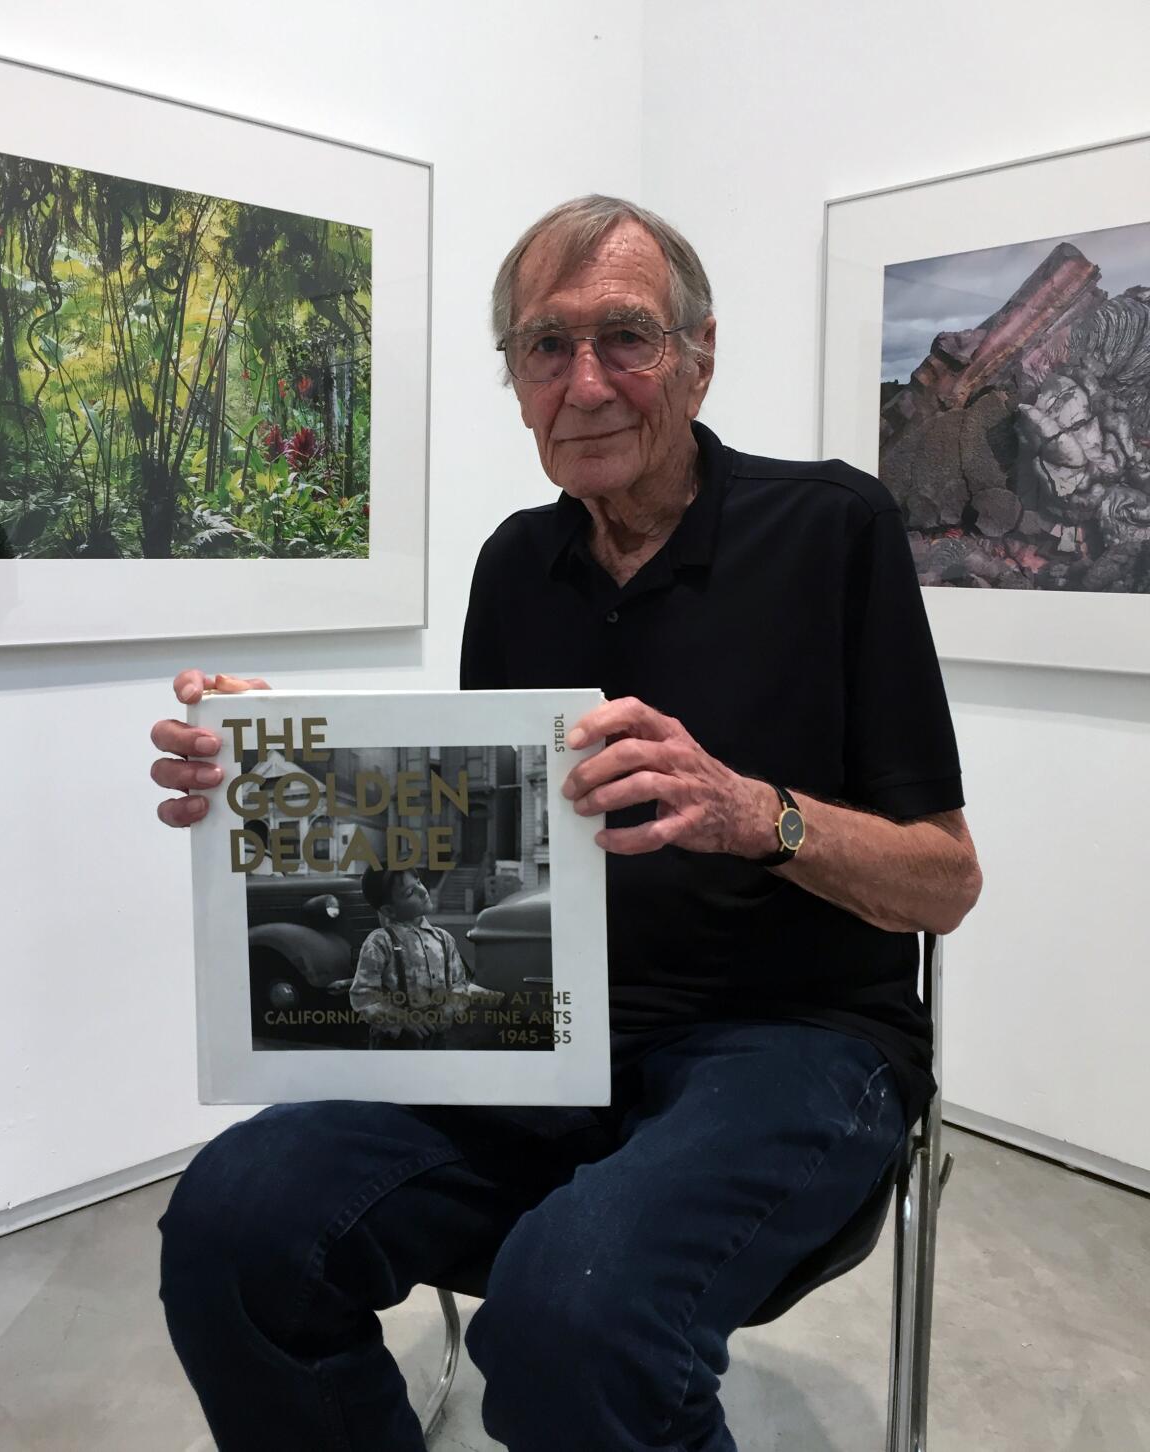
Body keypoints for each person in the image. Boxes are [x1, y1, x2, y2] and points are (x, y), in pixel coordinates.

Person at [151, 195, 982, 1452]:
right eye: (547, 346)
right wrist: (282, 769)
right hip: (543, 1045)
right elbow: (482, 849)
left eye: (626, 338)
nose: (585, 382)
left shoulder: (833, 529)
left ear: (701, 355)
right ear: (517, 380)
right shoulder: (513, 565)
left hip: (795, 1047)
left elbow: (946, 885)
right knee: (229, 1221)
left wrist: (758, 813)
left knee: (566, 1321)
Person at [350, 866, 505, 1049]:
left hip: (439, 1040)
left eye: (419, 883)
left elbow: (459, 985)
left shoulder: (443, 939)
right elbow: (363, 996)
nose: (423, 892)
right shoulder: (380, 942)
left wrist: (449, 1009)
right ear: (389, 911)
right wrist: (401, 1019)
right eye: (409, 892)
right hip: (395, 1045)